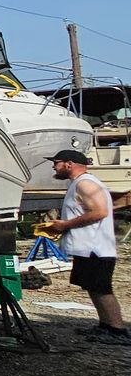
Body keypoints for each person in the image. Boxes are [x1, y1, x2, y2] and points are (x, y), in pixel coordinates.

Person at [42, 148, 126, 346]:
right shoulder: (80, 183)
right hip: (87, 247)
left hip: (95, 247)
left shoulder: (86, 184)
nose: (54, 166)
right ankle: (105, 325)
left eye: (56, 162)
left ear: (69, 164)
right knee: (93, 287)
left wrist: (65, 225)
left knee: (102, 289)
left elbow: (99, 212)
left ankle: (117, 329)